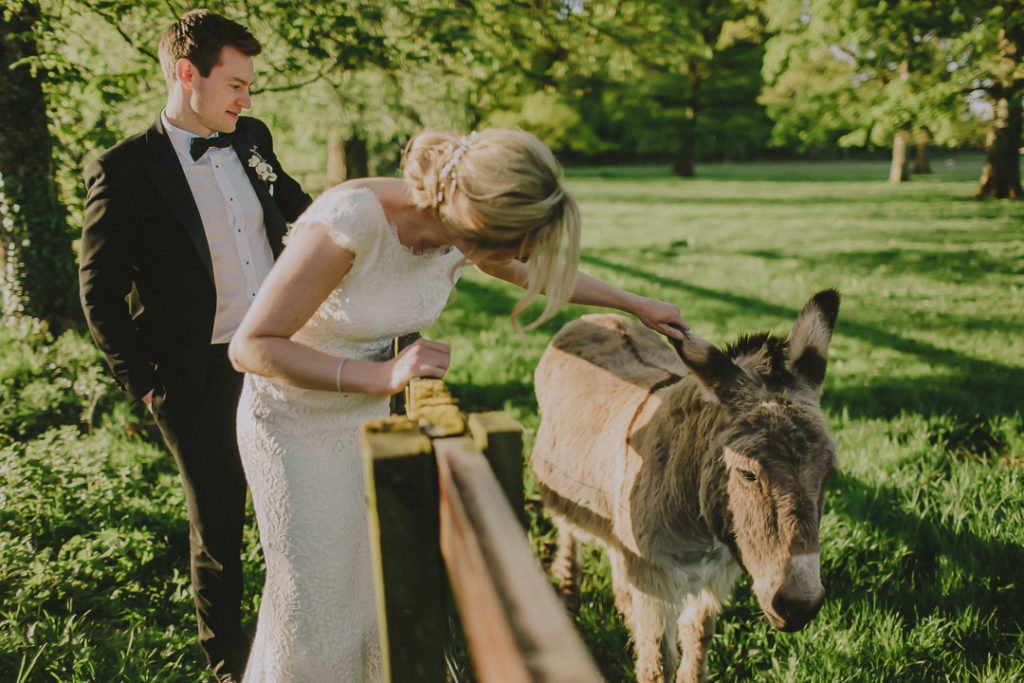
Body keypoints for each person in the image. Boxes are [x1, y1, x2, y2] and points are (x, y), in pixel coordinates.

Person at [228, 128, 688, 681]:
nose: (521, 259)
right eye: (514, 245)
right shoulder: (352, 220)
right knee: (315, 599)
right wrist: (383, 375)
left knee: (366, 586)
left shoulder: (454, 230)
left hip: (364, 418)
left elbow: (529, 275)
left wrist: (636, 305)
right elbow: (251, 347)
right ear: (475, 224)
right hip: (293, 423)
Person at [78, 10, 312, 682]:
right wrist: (146, 385)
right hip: (193, 375)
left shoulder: (252, 139)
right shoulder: (123, 170)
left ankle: (293, 643)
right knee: (219, 526)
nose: (246, 99)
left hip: (277, 356)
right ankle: (229, 667)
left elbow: (299, 210)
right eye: (236, 84)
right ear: (188, 74)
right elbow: (99, 293)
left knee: (291, 507)